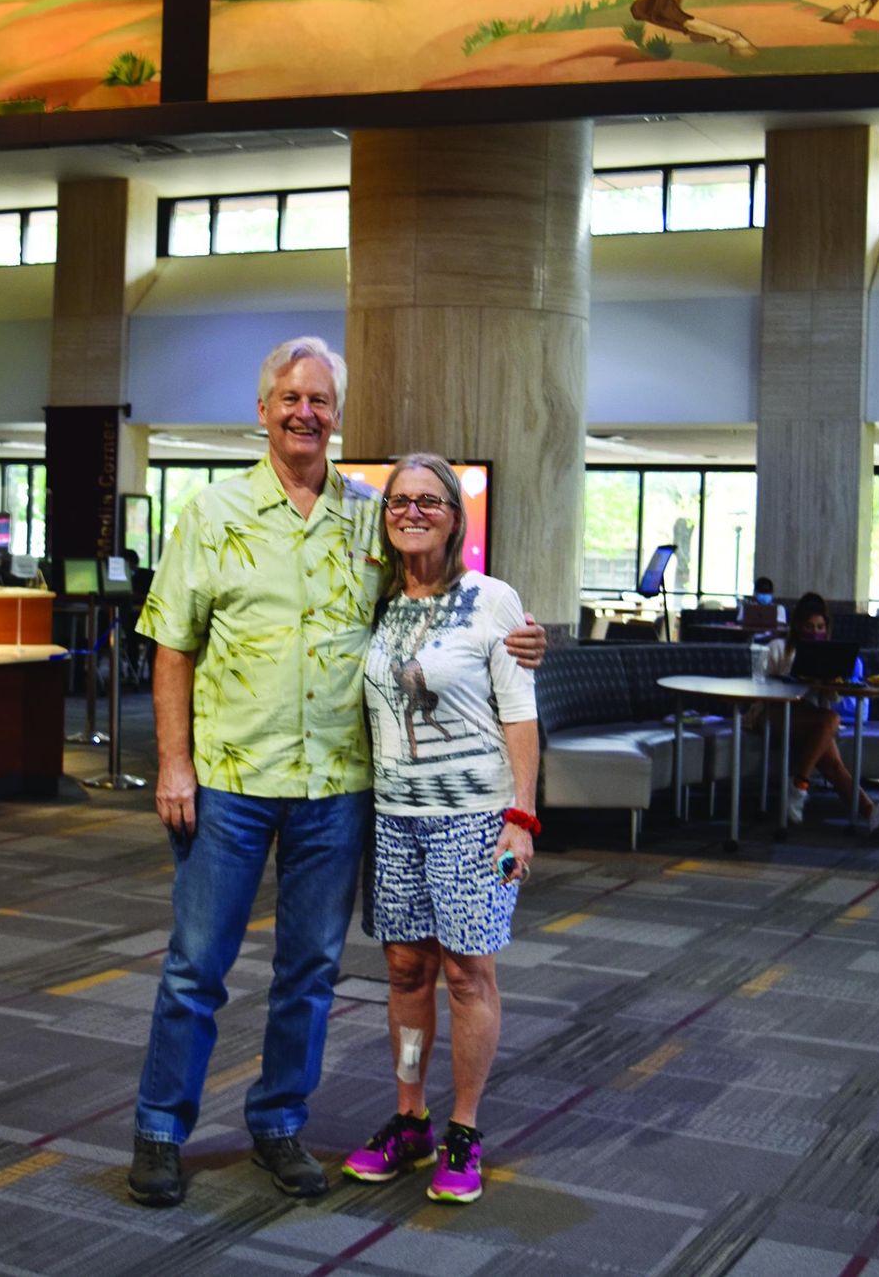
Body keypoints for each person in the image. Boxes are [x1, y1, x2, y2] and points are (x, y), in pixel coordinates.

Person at [127, 337, 546, 1208]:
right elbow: (171, 644)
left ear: (337, 414)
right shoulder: (209, 513)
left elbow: (453, 607)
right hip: (230, 780)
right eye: (290, 397)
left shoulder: (369, 516)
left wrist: (528, 639)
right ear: (263, 408)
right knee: (195, 966)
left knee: (309, 970)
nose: (305, 412)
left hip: (338, 790)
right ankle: (162, 1129)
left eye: (321, 399)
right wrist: (172, 761)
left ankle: (278, 1121)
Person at [341, 454, 538, 1205]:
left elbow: (521, 716)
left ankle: (463, 1127)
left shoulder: (492, 600)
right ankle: (409, 1116)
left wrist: (520, 818)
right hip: (394, 819)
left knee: (466, 972)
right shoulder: (376, 600)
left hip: (474, 818)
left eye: (430, 500)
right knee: (403, 970)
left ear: (456, 516)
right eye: (400, 501)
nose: (412, 511)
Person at [764, 591, 879, 833]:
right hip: (775, 714)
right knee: (830, 721)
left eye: (820, 626)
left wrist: (830, 681)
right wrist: (796, 675)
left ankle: (871, 812)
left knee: (832, 760)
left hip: (813, 719)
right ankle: (799, 787)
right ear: (797, 627)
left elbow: (831, 698)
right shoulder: (777, 648)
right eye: (809, 626)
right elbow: (764, 688)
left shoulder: (827, 653)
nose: (815, 632)